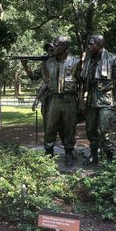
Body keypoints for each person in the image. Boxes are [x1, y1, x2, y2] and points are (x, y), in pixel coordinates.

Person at [80, 34, 116, 165]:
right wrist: (81, 99)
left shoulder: (113, 59)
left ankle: (109, 160)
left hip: (106, 101)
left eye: (92, 44)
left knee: (105, 131)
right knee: (90, 129)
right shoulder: (88, 60)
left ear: (100, 45)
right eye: (89, 44)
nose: (89, 46)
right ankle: (94, 157)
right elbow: (83, 81)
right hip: (91, 100)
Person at [41, 36, 81, 166]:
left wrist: (82, 100)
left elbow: (82, 82)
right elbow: (46, 80)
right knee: (50, 126)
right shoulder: (49, 62)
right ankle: (48, 153)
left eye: (57, 45)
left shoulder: (76, 61)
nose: (54, 47)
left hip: (70, 100)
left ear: (65, 47)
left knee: (69, 127)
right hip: (54, 99)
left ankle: (69, 153)